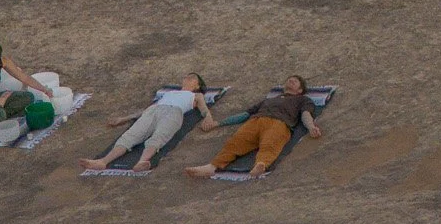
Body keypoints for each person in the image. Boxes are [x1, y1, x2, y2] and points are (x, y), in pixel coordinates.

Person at [184, 75, 321, 179]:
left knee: (270, 144)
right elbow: (245, 114)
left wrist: (311, 127)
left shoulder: (303, 100)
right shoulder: (270, 100)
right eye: (289, 79)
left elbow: (305, 114)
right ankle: (211, 167)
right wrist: (219, 123)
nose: (291, 81)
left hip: (279, 123)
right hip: (255, 121)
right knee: (235, 142)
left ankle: (261, 164)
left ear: (300, 90)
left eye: (295, 81)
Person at [81, 73, 215, 172]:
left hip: (174, 112)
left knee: (160, 136)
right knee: (131, 135)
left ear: (197, 85)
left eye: (192, 78)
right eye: (186, 77)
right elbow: (146, 109)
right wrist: (124, 119)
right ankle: (103, 161)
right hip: (154, 110)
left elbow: (203, 108)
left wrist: (208, 117)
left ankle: (143, 161)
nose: (187, 79)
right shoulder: (170, 93)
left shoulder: (196, 95)